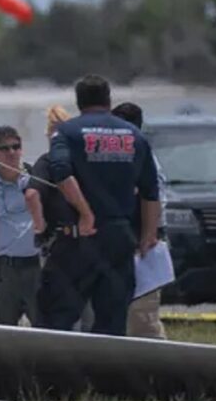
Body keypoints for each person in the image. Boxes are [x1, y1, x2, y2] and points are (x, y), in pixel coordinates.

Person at [46, 74, 161, 335]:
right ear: (109, 100)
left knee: (58, 315)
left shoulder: (67, 132)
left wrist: (85, 213)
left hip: (79, 239)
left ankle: (55, 374)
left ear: (79, 102)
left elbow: (61, 172)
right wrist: (148, 235)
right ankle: (107, 374)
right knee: (113, 318)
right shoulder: (134, 135)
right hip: (120, 239)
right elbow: (151, 192)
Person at [112, 101, 167, 339]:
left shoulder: (142, 159)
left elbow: (152, 199)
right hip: (124, 245)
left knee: (143, 318)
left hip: (142, 247)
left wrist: (147, 236)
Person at [24, 105, 83, 329]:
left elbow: (31, 195)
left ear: (50, 135)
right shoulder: (85, 160)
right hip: (91, 240)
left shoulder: (47, 162)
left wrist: (39, 228)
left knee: (57, 308)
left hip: (59, 243)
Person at [0, 125, 39, 326]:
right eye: (4, 148)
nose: (11, 153)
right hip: (3, 270)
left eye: (15, 147)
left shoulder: (36, 178)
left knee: (46, 329)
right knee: (2, 331)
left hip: (36, 267)